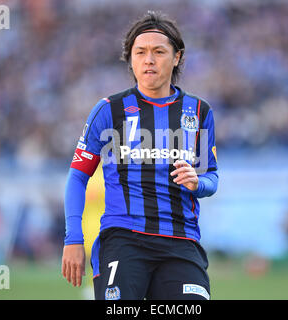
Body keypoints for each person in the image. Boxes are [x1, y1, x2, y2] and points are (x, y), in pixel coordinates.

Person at [61, 11, 218, 300]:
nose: (149, 59)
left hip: (181, 242)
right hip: (124, 239)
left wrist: (199, 182)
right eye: (140, 52)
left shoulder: (199, 112)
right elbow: (77, 176)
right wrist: (73, 239)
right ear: (130, 59)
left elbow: (212, 177)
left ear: (177, 57)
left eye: (159, 52)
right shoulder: (108, 110)